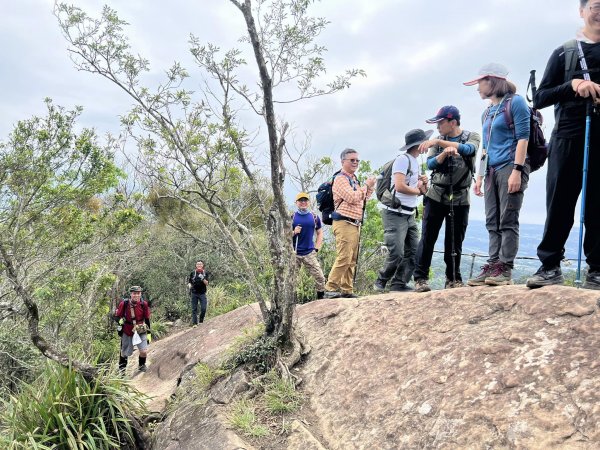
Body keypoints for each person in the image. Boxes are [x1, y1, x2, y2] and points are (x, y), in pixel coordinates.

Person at [526, 0, 600, 290]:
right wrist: (572, 86)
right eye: (595, 4)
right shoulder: (565, 51)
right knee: (559, 202)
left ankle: (597, 271)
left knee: (598, 205)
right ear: (581, 11)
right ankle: (549, 266)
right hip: (567, 136)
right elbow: (540, 97)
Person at [463, 63, 530, 286]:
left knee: (507, 219)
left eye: (480, 82)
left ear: (492, 81)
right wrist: (479, 176)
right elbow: (486, 146)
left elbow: (523, 138)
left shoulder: (516, 102)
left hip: (511, 166)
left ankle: (505, 269)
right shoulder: (487, 112)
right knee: (492, 220)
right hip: (491, 170)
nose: (477, 88)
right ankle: (493, 265)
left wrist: (517, 171)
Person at [413, 107, 481, 292]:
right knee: (428, 237)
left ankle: (453, 278)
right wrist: (444, 152)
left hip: (460, 197)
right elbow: (430, 164)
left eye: (441, 122)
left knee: (455, 240)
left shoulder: (471, 136)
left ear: (453, 122)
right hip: (436, 194)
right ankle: (420, 278)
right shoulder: (437, 141)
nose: (438, 126)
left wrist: (440, 142)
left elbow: (470, 150)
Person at [373, 129, 430, 292]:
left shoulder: (415, 163)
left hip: (409, 213)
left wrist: (423, 185)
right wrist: (418, 191)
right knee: (397, 252)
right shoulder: (403, 160)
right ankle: (381, 280)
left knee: (413, 251)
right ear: (419, 144)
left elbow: (420, 190)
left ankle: (399, 283)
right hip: (394, 213)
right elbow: (399, 186)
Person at [324, 148, 376, 299]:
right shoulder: (340, 179)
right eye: (352, 160)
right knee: (344, 256)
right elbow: (352, 197)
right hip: (343, 222)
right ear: (343, 162)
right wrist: (366, 186)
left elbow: (364, 198)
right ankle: (330, 288)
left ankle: (347, 289)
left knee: (352, 258)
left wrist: (369, 188)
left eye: (357, 160)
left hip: (354, 223)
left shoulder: (354, 179)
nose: (355, 163)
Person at [292, 192, 326, 300]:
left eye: (305, 200)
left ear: (308, 202)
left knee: (320, 277)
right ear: (296, 203)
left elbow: (320, 232)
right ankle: (292, 303)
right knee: (292, 280)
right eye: (300, 201)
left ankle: (321, 299)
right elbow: (283, 234)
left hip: (309, 253)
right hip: (294, 253)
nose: (303, 202)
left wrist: (317, 247)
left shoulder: (314, 217)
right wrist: (294, 232)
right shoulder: (292, 217)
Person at [114, 285, 151, 373]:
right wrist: (120, 323)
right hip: (127, 330)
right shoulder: (124, 303)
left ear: (140, 294)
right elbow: (117, 317)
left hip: (140, 329)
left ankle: (141, 365)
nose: (136, 295)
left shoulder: (143, 304)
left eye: (138, 293)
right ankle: (122, 371)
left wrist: (149, 334)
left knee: (144, 351)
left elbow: (147, 319)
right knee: (124, 353)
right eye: (134, 293)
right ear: (131, 294)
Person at [188, 260, 210, 325]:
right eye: (198, 264)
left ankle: (201, 321)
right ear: (196, 265)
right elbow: (190, 281)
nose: (199, 265)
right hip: (194, 293)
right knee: (194, 309)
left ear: (202, 265)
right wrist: (189, 285)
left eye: (200, 264)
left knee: (203, 308)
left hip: (202, 293)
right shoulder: (193, 273)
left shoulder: (205, 273)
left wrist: (202, 278)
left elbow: (207, 283)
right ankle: (195, 324)